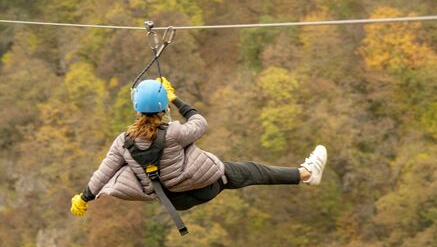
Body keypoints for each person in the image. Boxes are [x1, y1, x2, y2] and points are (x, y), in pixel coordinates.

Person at [70, 78, 327, 217]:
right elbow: (200, 123)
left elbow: (103, 173)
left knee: (241, 172)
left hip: (174, 201)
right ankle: (306, 174)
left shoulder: (123, 142)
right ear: (164, 108)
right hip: (205, 187)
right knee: (251, 171)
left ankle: (306, 174)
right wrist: (176, 98)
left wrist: (84, 197)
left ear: (137, 109)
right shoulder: (174, 132)